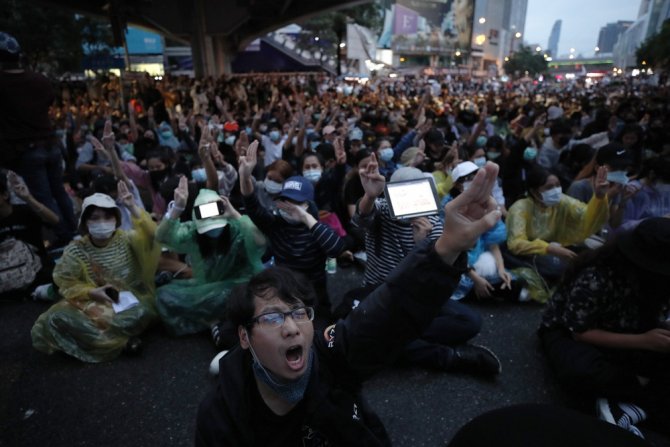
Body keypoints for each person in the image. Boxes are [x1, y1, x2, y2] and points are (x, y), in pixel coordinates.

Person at [195, 162, 504, 446]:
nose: (291, 328)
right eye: (273, 318)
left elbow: (390, 308)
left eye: (298, 314)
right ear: (245, 337)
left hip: (379, 296)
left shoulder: (329, 360)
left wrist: (446, 247)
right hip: (366, 293)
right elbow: (360, 224)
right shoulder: (220, 418)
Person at [539, 217, 670, 439]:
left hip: (632, 331)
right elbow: (579, 332)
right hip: (573, 333)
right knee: (580, 370)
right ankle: (634, 397)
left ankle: (631, 400)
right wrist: (644, 341)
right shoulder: (597, 274)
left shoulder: (658, 282)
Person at [31, 182, 160, 362]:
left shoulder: (128, 239)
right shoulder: (76, 250)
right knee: (53, 318)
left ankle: (111, 340)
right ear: (84, 222)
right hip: (93, 302)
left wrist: (132, 207)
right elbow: (67, 282)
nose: (101, 222)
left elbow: (154, 236)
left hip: (132, 299)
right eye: (95, 218)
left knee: (135, 315)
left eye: (107, 216)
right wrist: (92, 292)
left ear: (116, 219)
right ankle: (121, 341)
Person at [154, 178, 266, 336]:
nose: (212, 230)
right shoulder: (193, 233)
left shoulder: (236, 230)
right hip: (209, 286)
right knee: (163, 295)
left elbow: (260, 242)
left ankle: (212, 321)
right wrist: (177, 208)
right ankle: (216, 320)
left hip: (240, 286)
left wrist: (234, 214)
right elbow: (162, 237)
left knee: (228, 297)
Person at [0, 32, 76, 245]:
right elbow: (48, 104)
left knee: (43, 197)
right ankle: (73, 230)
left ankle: (64, 237)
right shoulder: (39, 79)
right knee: (59, 192)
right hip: (51, 144)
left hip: (27, 150)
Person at [505, 165, 610, 281]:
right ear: (534, 192)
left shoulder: (561, 201)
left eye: (558, 185)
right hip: (529, 254)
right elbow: (516, 243)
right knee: (561, 271)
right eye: (549, 187)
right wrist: (549, 248)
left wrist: (599, 198)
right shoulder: (520, 208)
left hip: (556, 247)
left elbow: (586, 216)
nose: (556, 190)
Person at [0, 170, 58, 297]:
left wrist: (28, 198)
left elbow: (54, 220)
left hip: (37, 267)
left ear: (4, 195)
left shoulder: (24, 212)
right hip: (7, 272)